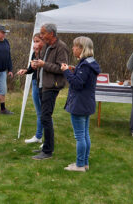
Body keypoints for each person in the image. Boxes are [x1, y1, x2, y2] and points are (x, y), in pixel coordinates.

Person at [61, 36, 101, 172]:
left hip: (80, 104)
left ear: (81, 48)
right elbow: (82, 79)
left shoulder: (85, 65)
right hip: (87, 103)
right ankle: (84, 163)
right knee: (85, 135)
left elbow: (77, 84)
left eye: (75, 46)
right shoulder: (89, 63)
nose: (72, 48)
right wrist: (74, 70)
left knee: (80, 136)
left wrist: (66, 71)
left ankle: (79, 165)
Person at [31, 23, 69, 160]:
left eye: (43, 33)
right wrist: (36, 63)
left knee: (46, 117)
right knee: (44, 117)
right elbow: (43, 63)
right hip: (43, 85)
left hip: (51, 86)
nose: (41, 36)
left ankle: (47, 151)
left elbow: (62, 68)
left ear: (51, 34)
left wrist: (44, 65)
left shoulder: (61, 47)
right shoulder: (46, 45)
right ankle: (46, 146)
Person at [16, 33, 44, 144]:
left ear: (43, 42)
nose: (35, 44)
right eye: (34, 41)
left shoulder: (46, 54)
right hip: (35, 82)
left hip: (44, 84)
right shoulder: (34, 53)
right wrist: (26, 71)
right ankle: (38, 136)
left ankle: (46, 140)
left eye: (37, 41)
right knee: (39, 112)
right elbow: (31, 69)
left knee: (45, 112)